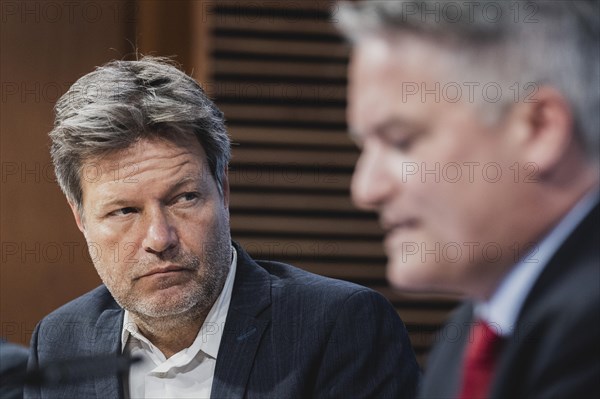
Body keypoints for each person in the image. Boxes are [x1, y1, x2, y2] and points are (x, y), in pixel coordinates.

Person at [25, 57, 419, 398]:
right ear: (80, 218)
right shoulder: (60, 341)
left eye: (183, 199)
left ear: (223, 190)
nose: (160, 239)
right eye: (125, 211)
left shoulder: (339, 327)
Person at [337, 1, 599, 398]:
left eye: (400, 141)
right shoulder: (465, 340)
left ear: (539, 128)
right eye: (364, 145)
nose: (366, 189)